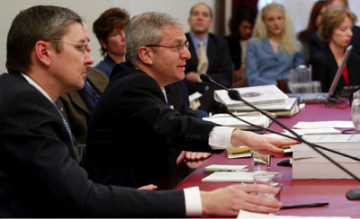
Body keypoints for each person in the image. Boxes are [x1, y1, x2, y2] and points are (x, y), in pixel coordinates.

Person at [0, 5, 287, 218]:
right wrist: (203, 201)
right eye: (79, 47)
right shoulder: (23, 105)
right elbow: (79, 198)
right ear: (44, 52)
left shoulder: (29, 98)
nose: (89, 59)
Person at [85, 11, 298, 190]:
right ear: (146, 54)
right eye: (177, 46)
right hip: (121, 200)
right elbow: (173, 125)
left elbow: (188, 120)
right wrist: (244, 138)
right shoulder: (130, 85)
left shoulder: (171, 82)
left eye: (185, 45)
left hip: (162, 186)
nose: (187, 54)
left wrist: (193, 140)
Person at [59, 23, 109, 164]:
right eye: (80, 45)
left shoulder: (97, 75)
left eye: (88, 42)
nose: (89, 49)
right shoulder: (58, 89)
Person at [184, 2, 233, 114]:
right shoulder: (180, 43)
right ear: (189, 20)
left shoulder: (220, 44)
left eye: (205, 15)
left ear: (211, 23)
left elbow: (227, 77)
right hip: (188, 96)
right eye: (196, 14)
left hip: (215, 98)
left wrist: (198, 78)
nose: (200, 17)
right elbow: (178, 77)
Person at [245, 2, 305, 86]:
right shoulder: (253, 44)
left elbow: (300, 75)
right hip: (262, 90)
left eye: (279, 18)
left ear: (284, 19)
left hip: (289, 92)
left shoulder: (296, 45)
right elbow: (252, 78)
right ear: (263, 22)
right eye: (271, 19)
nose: (276, 23)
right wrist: (277, 87)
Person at [310, 7, 360, 92]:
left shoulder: (355, 60)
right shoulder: (319, 61)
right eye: (343, 29)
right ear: (329, 31)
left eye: (351, 29)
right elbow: (320, 96)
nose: (350, 34)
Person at [224, 6, 257, 88]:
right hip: (234, 82)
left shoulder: (259, 43)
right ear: (237, 26)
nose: (248, 31)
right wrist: (235, 73)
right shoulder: (226, 43)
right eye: (245, 27)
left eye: (251, 28)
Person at [93, 7, 130, 78]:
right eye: (116, 34)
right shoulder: (100, 73)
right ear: (103, 42)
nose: (124, 37)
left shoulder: (136, 67)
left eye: (126, 31)